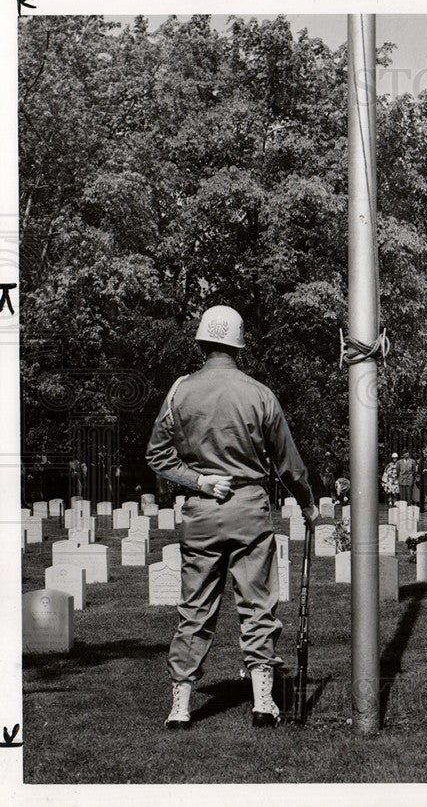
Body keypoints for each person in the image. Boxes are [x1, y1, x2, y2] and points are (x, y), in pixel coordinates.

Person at [146, 305, 316, 730]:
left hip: (201, 515)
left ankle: (180, 707)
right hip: (249, 513)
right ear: (238, 344)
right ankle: (263, 703)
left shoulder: (179, 391)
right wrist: (309, 504)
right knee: (258, 607)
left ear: (203, 342)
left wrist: (200, 482)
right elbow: (289, 463)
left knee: (194, 610)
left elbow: (157, 456)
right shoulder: (259, 393)